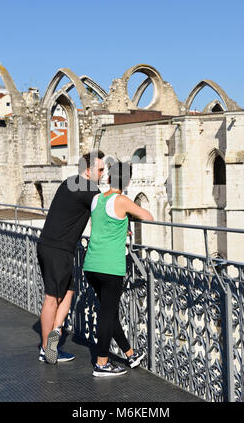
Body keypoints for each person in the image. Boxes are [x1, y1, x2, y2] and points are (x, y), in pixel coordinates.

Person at [83, 161, 154, 377]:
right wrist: (129, 217)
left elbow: (107, 223)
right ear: (128, 180)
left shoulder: (97, 199)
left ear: (109, 178)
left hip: (91, 264)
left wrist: (122, 226)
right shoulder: (122, 200)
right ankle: (102, 364)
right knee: (107, 315)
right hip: (110, 266)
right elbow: (148, 217)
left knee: (109, 312)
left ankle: (130, 354)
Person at [37, 150, 105, 364]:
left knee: (68, 292)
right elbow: (109, 208)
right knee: (51, 298)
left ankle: (53, 338)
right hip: (58, 249)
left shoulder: (70, 181)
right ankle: (46, 349)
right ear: (88, 170)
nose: (103, 173)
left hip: (51, 246)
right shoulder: (89, 189)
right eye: (100, 169)